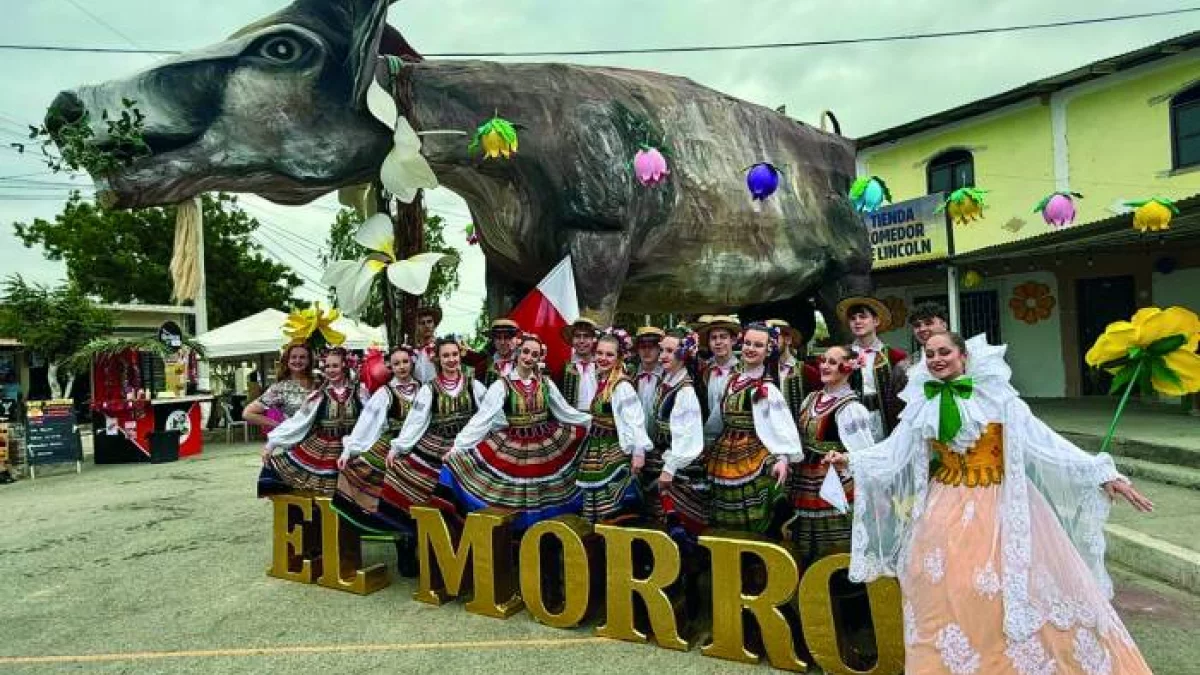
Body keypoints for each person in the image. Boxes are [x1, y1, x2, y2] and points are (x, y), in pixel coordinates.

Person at [827, 332, 1154, 674]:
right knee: (937, 586)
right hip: (944, 503)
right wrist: (850, 461)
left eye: (945, 352)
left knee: (997, 591)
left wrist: (1101, 472)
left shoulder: (999, 397)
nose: (937, 359)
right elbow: (895, 451)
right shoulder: (922, 402)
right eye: (930, 353)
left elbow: (1044, 441)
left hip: (997, 503)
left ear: (963, 356)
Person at [439, 333, 592, 531]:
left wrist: (590, 422)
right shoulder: (502, 385)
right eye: (526, 352)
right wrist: (458, 447)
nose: (529, 358)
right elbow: (482, 419)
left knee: (544, 490)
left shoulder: (545, 383)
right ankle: (519, 534)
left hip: (545, 444)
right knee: (515, 492)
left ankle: (545, 533)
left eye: (534, 355)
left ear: (539, 358)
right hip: (514, 444)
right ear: (518, 353)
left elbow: (564, 411)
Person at [381, 337, 488, 575]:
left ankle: (476, 551)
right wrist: (398, 447)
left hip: (468, 444)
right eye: (446, 356)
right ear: (438, 359)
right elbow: (416, 422)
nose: (451, 360)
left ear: (460, 356)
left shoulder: (475, 385)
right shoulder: (429, 389)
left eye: (454, 355)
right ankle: (420, 546)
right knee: (421, 483)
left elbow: (489, 416)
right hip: (436, 443)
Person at [704, 323, 804, 534]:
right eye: (748, 343)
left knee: (754, 503)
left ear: (768, 350)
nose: (750, 348)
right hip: (725, 451)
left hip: (753, 451)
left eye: (758, 345)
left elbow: (782, 425)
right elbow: (717, 418)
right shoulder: (732, 380)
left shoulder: (767, 388)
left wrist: (783, 458)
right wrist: (706, 443)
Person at [783, 345, 875, 565]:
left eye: (832, 362)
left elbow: (864, 453)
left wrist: (843, 457)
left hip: (834, 484)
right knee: (804, 540)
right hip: (805, 480)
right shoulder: (811, 398)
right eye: (823, 360)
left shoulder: (851, 408)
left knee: (835, 543)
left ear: (847, 368)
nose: (824, 366)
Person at [331, 345, 421, 537]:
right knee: (364, 470)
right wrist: (350, 450)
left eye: (405, 362)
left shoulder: (425, 389)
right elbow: (367, 424)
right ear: (390, 366)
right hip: (391, 441)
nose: (402, 367)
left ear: (412, 363)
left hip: (420, 441)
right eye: (397, 363)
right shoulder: (384, 393)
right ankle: (390, 527)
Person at [258, 348, 362, 497]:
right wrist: (271, 444)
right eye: (327, 366)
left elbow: (370, 422)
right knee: (322, 494)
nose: (331, 370)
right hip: (323, 448)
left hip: (353, 446)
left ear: (345, 366)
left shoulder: (360, 392)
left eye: (335, 366)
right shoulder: (318, 396)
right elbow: (299, 421)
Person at [577, 329, 653, 524]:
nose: (603, 358)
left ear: (619, 357)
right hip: (596, 448)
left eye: (609, 354)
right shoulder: (602, 380)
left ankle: (613, 542)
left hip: (613, 450)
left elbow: (635, 419)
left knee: (614, 501)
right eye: (600, 353)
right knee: (595, 499)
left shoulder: (621, 385)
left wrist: (638, 452)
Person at [644, 329, 708, 535]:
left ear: (684, 355)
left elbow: (687, 436)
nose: (662, 355)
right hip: (661, 457)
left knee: (678, 520)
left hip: (678, 463)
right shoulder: (667, 382)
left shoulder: (685, 391)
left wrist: (670, 468)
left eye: (669, 351)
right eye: (662, 350)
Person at [836, 295, 906, 440]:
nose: (857, 322)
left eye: (863, 317)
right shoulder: (841, 355)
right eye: (853, 318)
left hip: (884, 419)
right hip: (850, 419)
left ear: (876, 321)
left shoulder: (894, 356)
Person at [242, 344, 317, 432]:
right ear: (287, 361)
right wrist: (280, 426)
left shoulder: (320, 381)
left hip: (325, 439)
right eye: (293, 357)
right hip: (296, 441)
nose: (298, 360)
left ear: (309, 360)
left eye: (302, 357)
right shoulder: (280, 388)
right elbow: (248, 413)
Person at [697, 315, 741, 418]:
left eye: (723, 337)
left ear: (733, 340)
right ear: (709, 342)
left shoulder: (743, 372)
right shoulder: (704, 372)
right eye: (713, 338)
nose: (718, 342)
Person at [558, 318, 600, 411]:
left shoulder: (602, 368)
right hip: (573, 422)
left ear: (593, 339)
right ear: (572, 340)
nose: (581, 341)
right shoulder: (564, 369)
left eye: (586, 336)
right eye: (577, 336)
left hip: (599, 421)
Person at [631, 326, 665, 431]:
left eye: (651, 347)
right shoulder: (631, 376)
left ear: (659, 349)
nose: (647, 351)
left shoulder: (667, 377)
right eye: (643, 347)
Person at [475, 318, 520, 386]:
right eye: (498, 338)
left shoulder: (525, 363)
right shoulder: (483, 366)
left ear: (516, 339)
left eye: (507, 337)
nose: (502, 342)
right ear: (494, 341)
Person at [413, 305, 443, 384]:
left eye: (429, 321)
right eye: (422, 323)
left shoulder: (442, 346)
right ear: (417, 327)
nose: (426, 325)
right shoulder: (414, 352)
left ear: (434, 324)